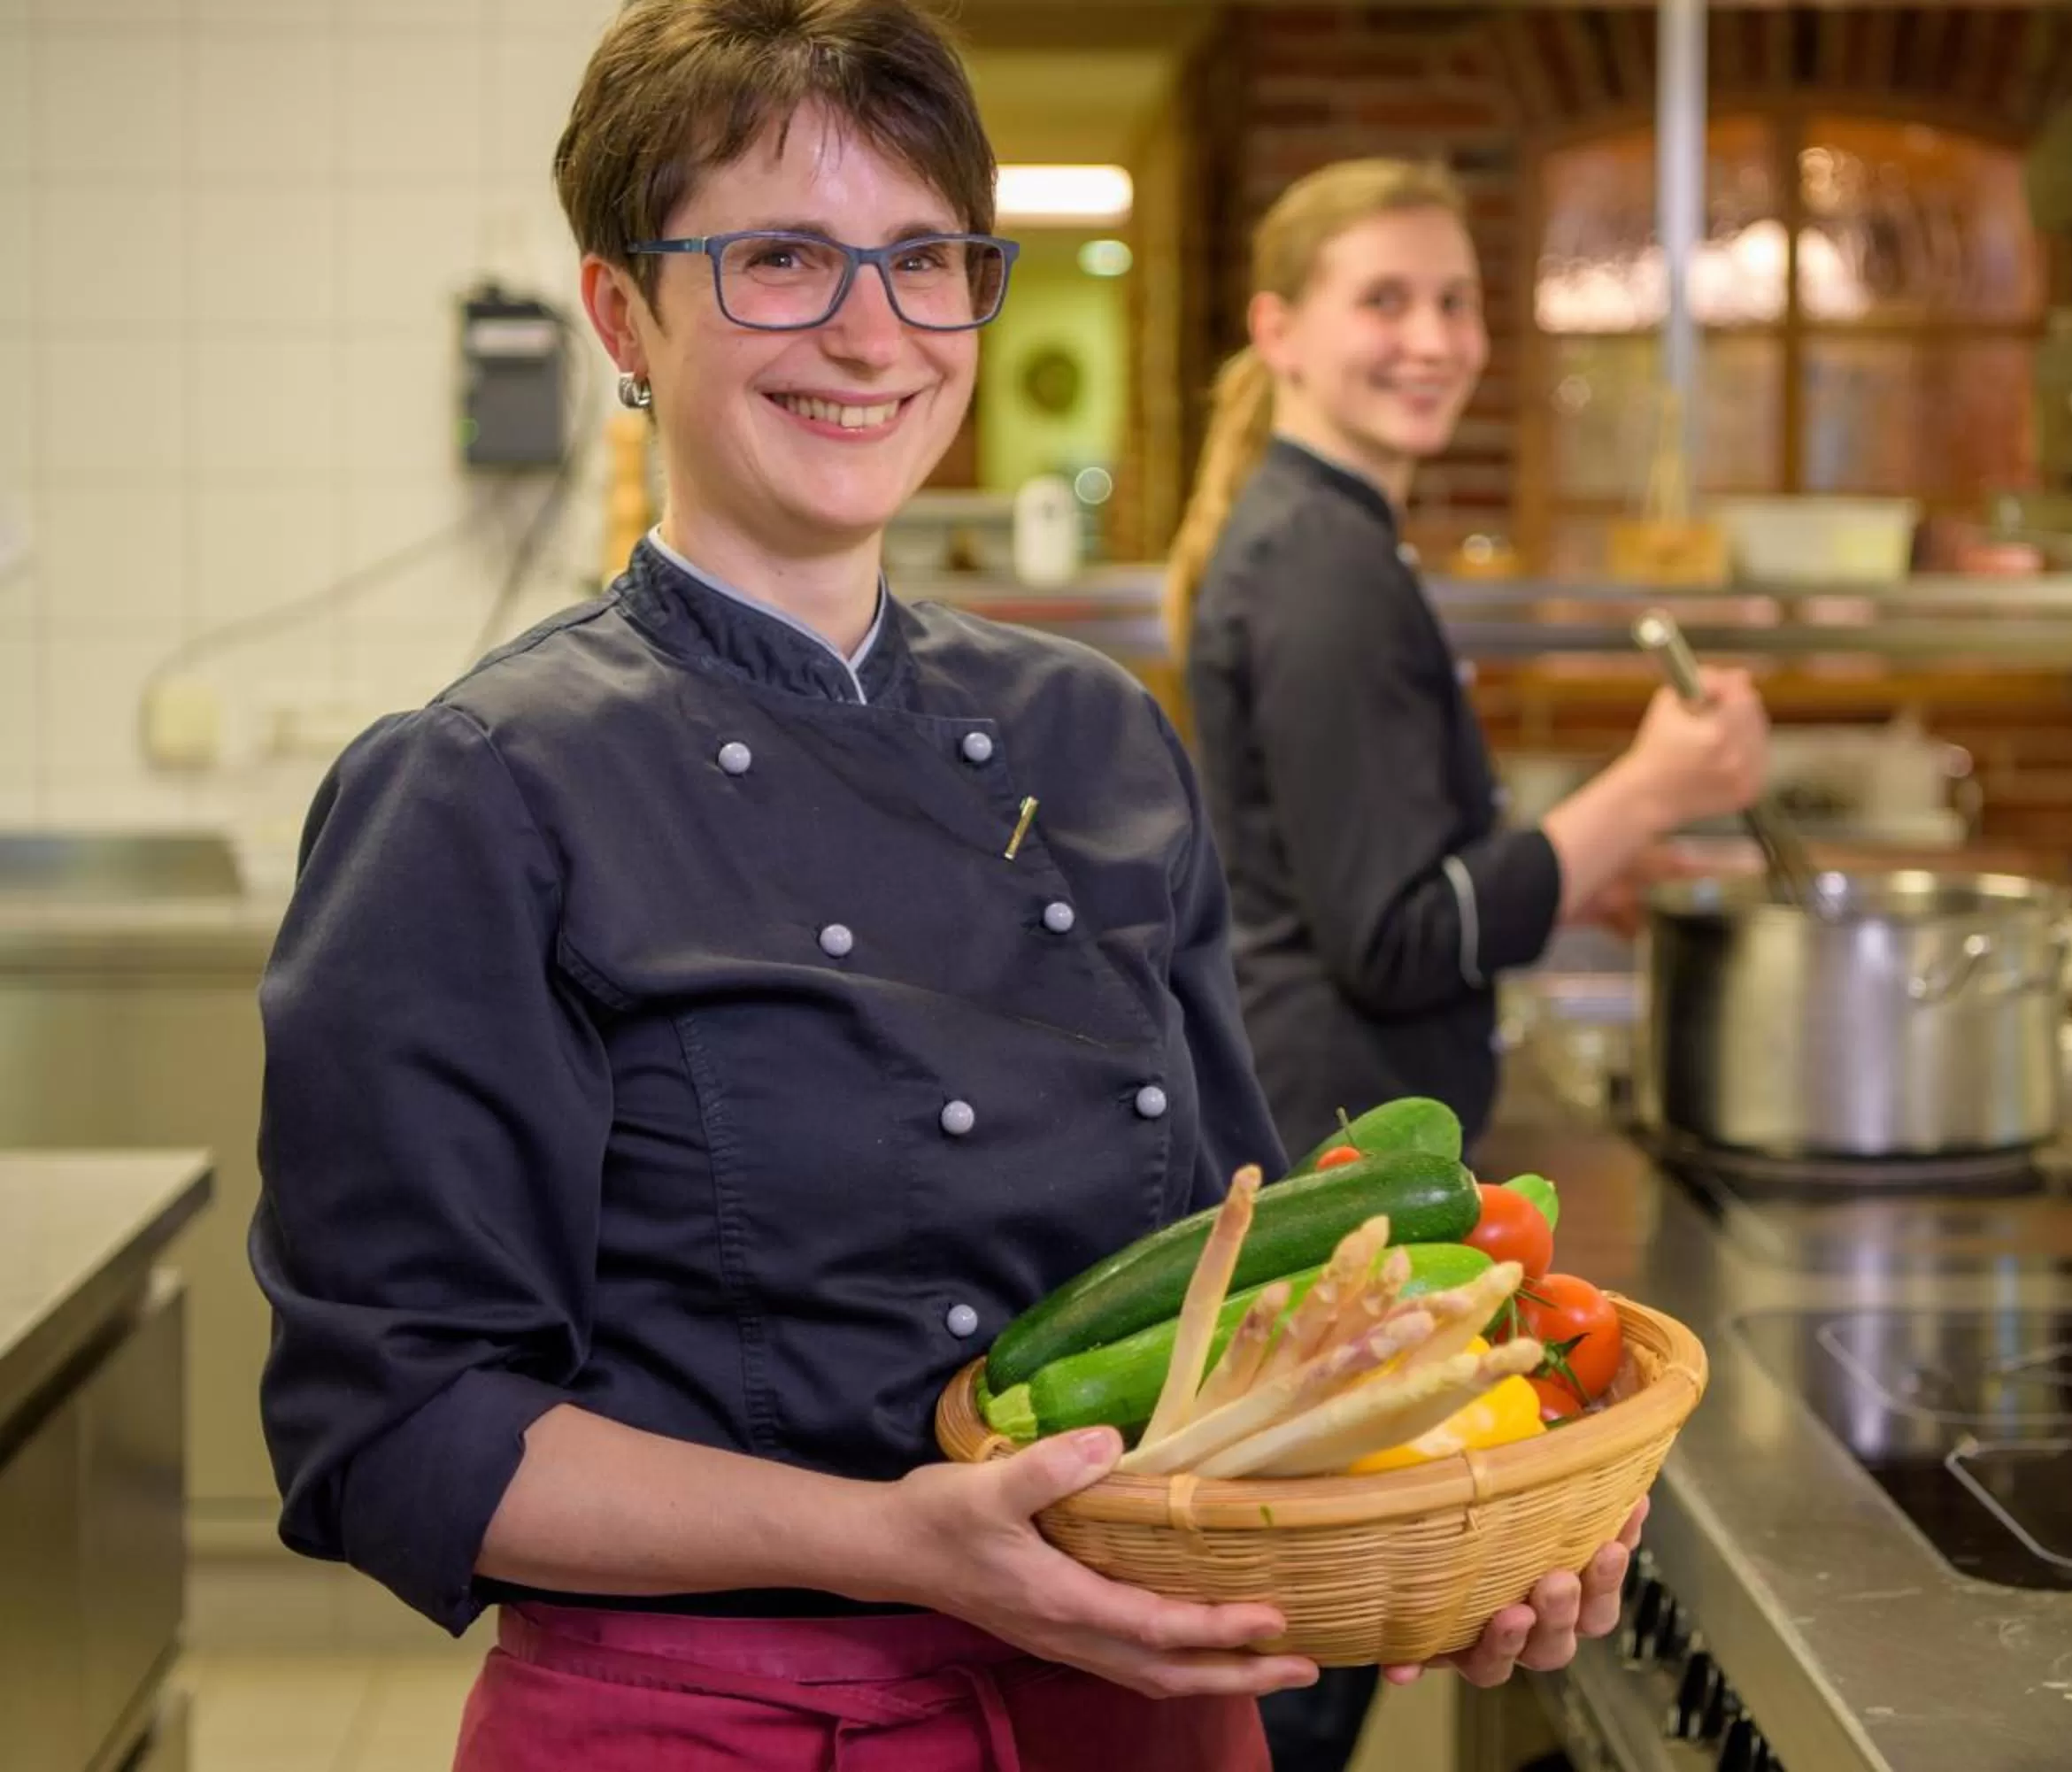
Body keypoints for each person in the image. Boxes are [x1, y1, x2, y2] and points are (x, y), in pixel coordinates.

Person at [250, 12, 1637, 1770]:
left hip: (1149, 1709)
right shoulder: (482, 785)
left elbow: (1244, 1274)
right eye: (777, 259)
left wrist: (1450, 1512)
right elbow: (399, 1424)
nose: (869, 331)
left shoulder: (1095, 734)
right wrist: (885, 1536)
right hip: (728, 1725)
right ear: (622, 314)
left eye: (924, 260)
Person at [1167, 160, 1772, 1772]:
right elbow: (1396, 931)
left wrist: (1596, 868)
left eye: (1454, 302)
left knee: (1298, 1675)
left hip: (1335, 1143)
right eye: (1386, 300)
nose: (1432, 338)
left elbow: (1389, 878)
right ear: (1279, 330)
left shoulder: (1326, 534)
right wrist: (1651, 790)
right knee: (1296, 1687)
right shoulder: (1324, 565)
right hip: (1338, 1161)